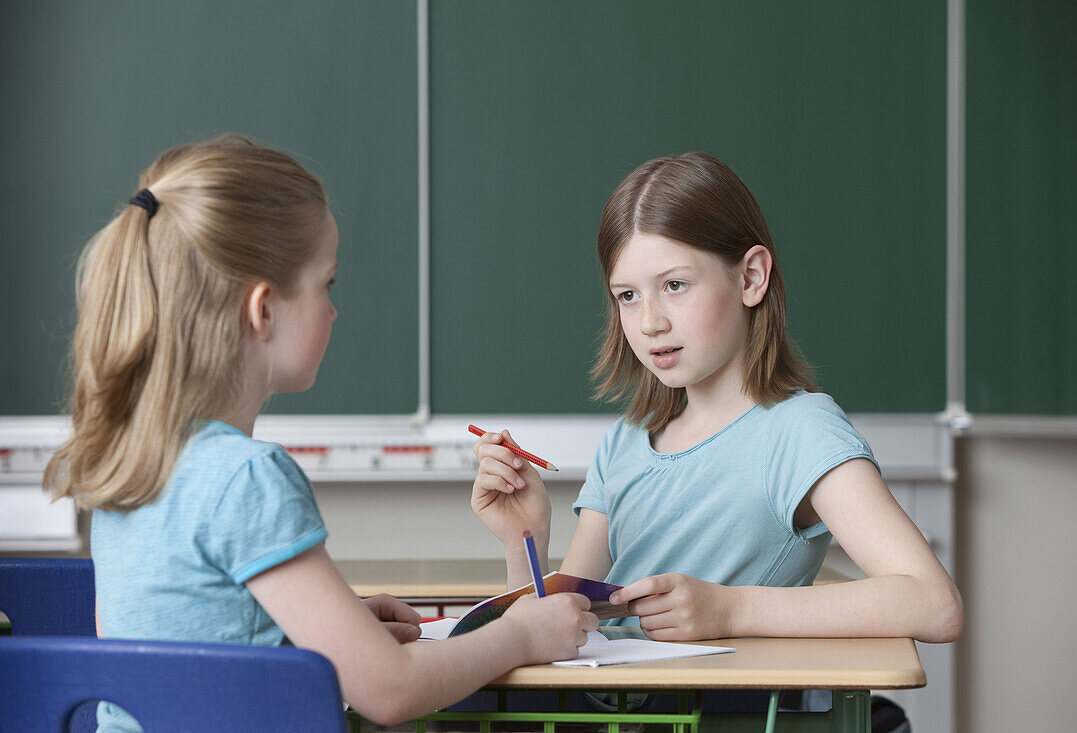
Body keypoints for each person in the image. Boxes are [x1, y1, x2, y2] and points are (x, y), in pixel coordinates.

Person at [44, 135, 596, 731]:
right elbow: (390, 690)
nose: (333, 309)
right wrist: (518, 636)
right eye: (325, 284)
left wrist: (328, 626)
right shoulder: (246, 477)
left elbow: (180, 643)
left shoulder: (133, 466)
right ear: (263, 310)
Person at [472, 152, 963, 645]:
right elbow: (557, 632)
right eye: (628, 296)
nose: (649, 322)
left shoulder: (800, 431)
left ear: (751, 277)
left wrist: (731, 609)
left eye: (675, 285)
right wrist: (525, 545)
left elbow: (934, 604)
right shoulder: (624, 442)